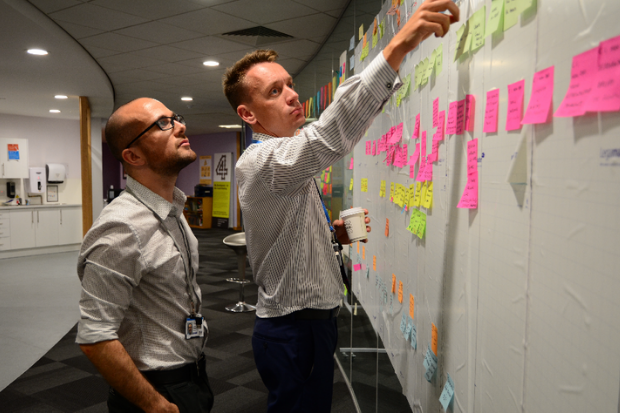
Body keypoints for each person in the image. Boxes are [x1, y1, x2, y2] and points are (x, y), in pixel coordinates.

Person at [223, 0, 459, 411]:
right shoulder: (261, 161)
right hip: (292, 328)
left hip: (309, 323)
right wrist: (396, 48)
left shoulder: (284, 157)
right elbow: (328, 136)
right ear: (248, 114)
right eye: (274, 92)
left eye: (289, 84)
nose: (293, 96)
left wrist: (331, 235)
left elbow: (285, 232)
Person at [76, 98, 213, 413]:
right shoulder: (122, 227)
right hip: (154, 389)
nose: (181, 126)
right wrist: (154, 404)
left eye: (175, 117)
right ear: (132, 155)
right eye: (163, 124)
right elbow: (94, 336)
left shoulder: (173, 209)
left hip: (191, 375)